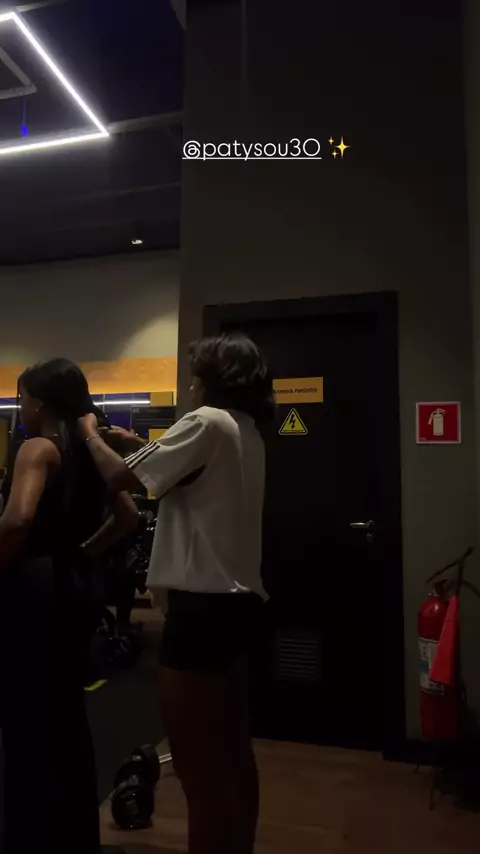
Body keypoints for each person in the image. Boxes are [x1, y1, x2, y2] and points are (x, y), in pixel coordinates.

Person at [78, 334, 274, 854]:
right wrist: (131, 441)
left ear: (214, 380)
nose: (191, 386)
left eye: (196, 376)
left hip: (200, 613)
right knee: (232, 755)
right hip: (235, 608)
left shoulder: (206, 422)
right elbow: (177, 474)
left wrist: (88, 434)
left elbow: (119, 478)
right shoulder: (243, 430)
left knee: (196, 768)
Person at [0, 358, 138, 854]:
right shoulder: (87, 454)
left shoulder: (37, 447)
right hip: (74, 590)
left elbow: (18, 520)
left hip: (33, 593)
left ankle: (27, 838)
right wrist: (82, 554)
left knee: (24, 722)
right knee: (66, 717)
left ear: (39, 404)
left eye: (23, 398)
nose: (21, 407)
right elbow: (128, 517)